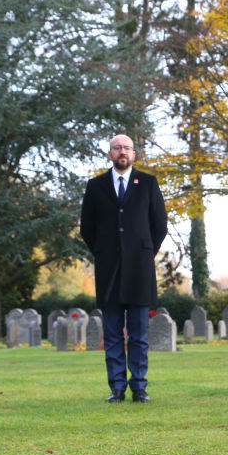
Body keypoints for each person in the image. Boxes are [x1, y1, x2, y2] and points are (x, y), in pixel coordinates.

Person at [80, 134, 168, 403]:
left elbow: (159, 225)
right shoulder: (96, 186)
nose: (122, 152)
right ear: (110, 154)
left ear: (134, 154)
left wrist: (143, 253)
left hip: (140, 271)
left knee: (139, 335)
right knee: (113, 333)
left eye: (127, 148)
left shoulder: (148, 184)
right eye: (117, 148)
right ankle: (117, 386)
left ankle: (139, 386)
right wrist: (104, 252)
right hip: (109, 271)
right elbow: (87, 228)